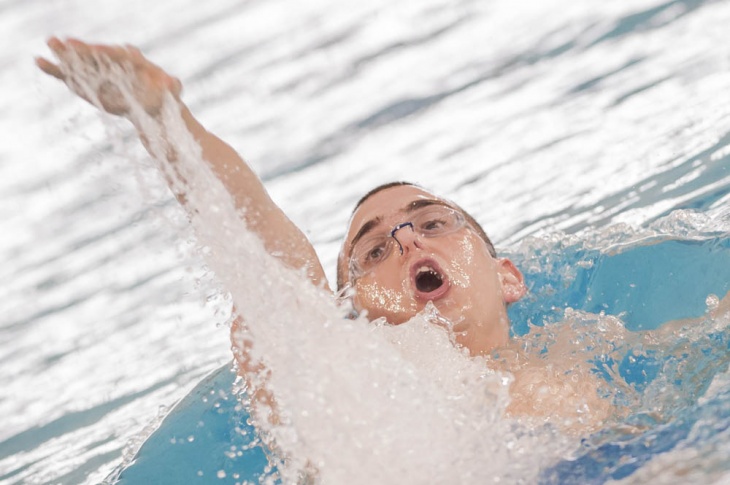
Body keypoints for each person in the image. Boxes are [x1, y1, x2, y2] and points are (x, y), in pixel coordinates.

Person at [36, 38, 729, 434]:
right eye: (373, 250)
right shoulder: (362, 410)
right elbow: (266, 256)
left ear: (508, 276)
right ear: (354, 313)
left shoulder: (592, 352)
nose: (406, 243)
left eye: (433, 222)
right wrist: (165, 120)